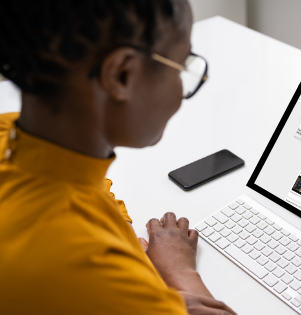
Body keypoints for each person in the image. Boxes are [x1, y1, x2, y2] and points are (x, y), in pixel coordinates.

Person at [0, 1, 236, 314]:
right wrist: (178, 273)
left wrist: (140, 266)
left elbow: (92, 191)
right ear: (121, 75)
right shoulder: (93, 269)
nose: (181, 88)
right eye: (181, 66)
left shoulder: (12, 130)